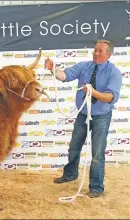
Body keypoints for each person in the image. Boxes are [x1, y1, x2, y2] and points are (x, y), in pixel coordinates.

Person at [44, 39, 122, 198]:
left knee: (97, 153)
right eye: (95, 50)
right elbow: (65, 75)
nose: (96, 53)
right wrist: (53, 69)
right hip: (83, 114)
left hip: (101, 116)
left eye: (100, 51)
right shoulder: (84, 66)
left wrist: (93, 93)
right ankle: (70, 174)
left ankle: (96, 187)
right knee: (74, 146)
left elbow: (111, 97)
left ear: (109, 54)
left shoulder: (114, 72)